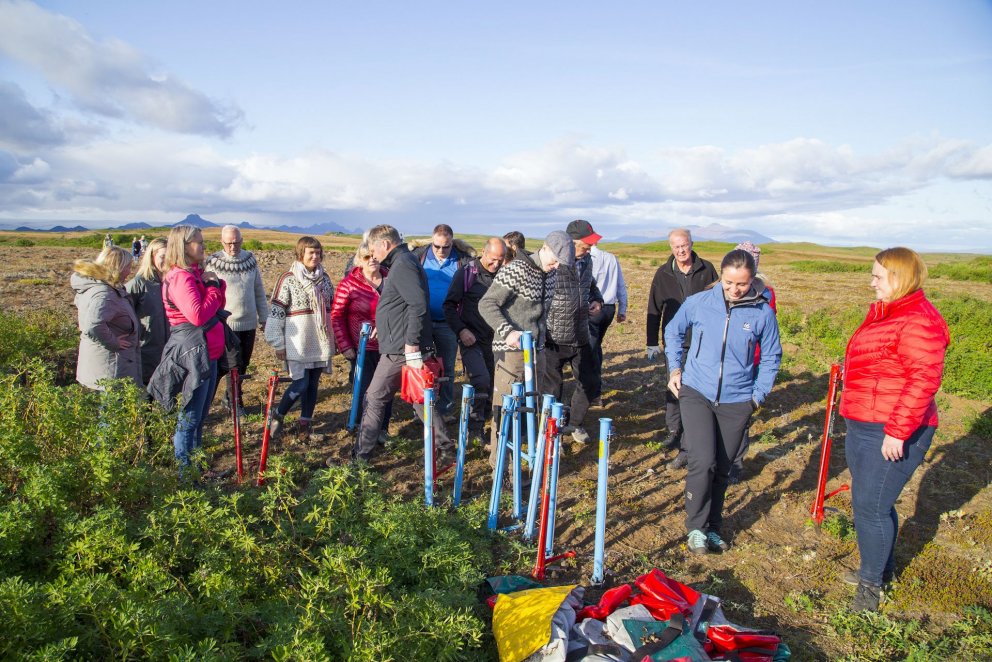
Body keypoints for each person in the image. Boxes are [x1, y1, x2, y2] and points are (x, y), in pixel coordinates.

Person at [839, 247, 949, 612]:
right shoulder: (889, 312)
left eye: (877, 276)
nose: (871, 282)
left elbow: (924, 379)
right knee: (872, 502)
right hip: (865, 421)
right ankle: (880, 570)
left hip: (890, 429)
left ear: (898, 278)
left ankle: (871, 587)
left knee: (870, 506)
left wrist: (898, 431)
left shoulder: (918, 320)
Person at [665, 249, 781, 555]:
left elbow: (772, 357)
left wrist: (756, 397)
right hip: (696, 392)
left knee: (723, 467)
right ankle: (695, 528)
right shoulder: (699, 302)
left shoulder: (762, 312)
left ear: (753, 280)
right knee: (702, 461)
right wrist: (675, 369)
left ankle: (714, 527)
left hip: (738, 400)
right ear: (721, 276)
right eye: (728, 283)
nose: (734, 290)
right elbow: (673, 331)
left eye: (741, 284)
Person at [353, 224, 451, 463]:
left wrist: (411, 343)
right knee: (419, 398)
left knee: (375, 397)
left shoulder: (403, 264)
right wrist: (386, 324)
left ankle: (360, 458)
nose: (373, 255)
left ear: (385, 244)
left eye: (374, 249)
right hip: (401, 344)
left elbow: (417, 304)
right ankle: (445, 448)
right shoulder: (403, 262)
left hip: (400, 350)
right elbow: (402, 304)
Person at [479, 231, 571, 467]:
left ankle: (522, 464)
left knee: (529, 408)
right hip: (511, 353)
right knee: (505, 410)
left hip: (536, 351)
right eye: (555, 260)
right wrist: (508, 331)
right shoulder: (517, 270)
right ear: (545, 248)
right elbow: (487, 304)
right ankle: (501, 468)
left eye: (561, 263)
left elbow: (542, 313)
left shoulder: (551, 274)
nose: (556, 266)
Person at [646, 228, 719, 468]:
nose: (681, 250)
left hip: (701, 341)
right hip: (675, 341)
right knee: (673, 386)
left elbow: (717, 304)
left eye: (684, 245)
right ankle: (673, 431)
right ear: (671, 248)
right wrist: (651, 341)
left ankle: (690, 436)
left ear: (691, 244)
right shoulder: (663, 273)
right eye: (676, 246)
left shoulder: (707, 269)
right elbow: (654, 308)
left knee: (694, 390)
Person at [157, 226, 226, 470]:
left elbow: (217, 306)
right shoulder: (181, 277)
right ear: (184, 246)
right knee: (190, 419)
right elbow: (197, 316)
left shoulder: (195, 273)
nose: (203, 246)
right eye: (198, 242)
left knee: (199, 417)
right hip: (194, 354)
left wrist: (215, 285)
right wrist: (213, 288)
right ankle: (186, 476)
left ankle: (197, 470)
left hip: (209, 353)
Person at [264, 236, 336, 443]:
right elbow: (277, 312)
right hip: (298, 343)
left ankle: (305, 425)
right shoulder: (288, 279)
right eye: (310, 253)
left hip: (319, 340)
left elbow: (331, 309)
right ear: (300, 254)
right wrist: (278, 342)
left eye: (318, 252)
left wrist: (335, 338)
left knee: (313, 384)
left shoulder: (325, 279)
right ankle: (278, 414)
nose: (315, 256)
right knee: (301, 384)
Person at [545, 220, 604, 444]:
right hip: (553, 337)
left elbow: (591, 285)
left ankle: (574, 423)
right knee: (552, 390)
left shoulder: (587, 260)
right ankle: (551, 435)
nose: (589, 249)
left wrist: (597, 299)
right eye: (586, 245)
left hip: (580, 334)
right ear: (571, 242)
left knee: (591, 382)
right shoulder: (553, 262)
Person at [442, 237, 507, 436]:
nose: (496, 264)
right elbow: (449, 306)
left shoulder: (505, 275)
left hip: (497, 340)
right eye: (493, 259)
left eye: (500, 260)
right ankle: (474, 428)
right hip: (471, 338)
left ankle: (487, 423)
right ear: (483, 252)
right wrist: (461, 330)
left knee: (494, 384)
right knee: (481, 380)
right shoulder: (466, 273)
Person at [412, 224, 475, 416]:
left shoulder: (463, 261)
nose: (440, 250)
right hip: (422, 323)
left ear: (452, 243)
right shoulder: (418, 257)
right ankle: (421, 409)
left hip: (448, 324)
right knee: (421, 365)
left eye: (445, 247)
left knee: (447, 367)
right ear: (431, 241)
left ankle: (445, 408)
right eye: (436, 246)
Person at [332, 240, 391, 443]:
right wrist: (345, 346)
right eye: (367, 256)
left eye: (375, 256)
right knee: (364, 388)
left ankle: (383, 429)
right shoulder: (349, 284)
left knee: (386, 388)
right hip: (361, 347)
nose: (372, 260)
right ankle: (360, 427)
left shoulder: (391, 280)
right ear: (359, 260)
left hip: (389, 345)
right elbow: (337, 317)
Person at [206, 225, 269, 415]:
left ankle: (228, 398)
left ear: (241, 241)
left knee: (243, 364)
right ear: (222, 242)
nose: (233, 247)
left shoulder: (250, 260)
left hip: (248, 322)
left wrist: (264, 317)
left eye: (236, 242)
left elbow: (258, 290)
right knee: (231, 365)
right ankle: (234, 403)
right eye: (229, 243)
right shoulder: (213, 262)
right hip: (226, 324)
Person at [729, 241, 777, 483]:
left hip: (751, 361)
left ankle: (736, 463)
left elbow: (766, 332)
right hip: (729, 360)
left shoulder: (766, 294)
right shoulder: (723, 290)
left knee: (741, 413)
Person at [71, 245, 142, 391]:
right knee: (112, 404)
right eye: (128, 267)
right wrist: (113, 342)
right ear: (117, 268)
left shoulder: (98, 287)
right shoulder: (105, 294)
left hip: (102, 364)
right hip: (110, 366)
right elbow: (93, 325)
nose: (130, 271)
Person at [125, 237, 170, 386]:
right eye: (163, 256)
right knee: (146, 392)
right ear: (152, 256)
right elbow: (122, 314)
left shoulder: (174, 282)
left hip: (170, 351)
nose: (167, 261)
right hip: (146, 352)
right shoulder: (139, 283)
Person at [589, 241, 628, 370]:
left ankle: (593, 376)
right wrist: (622, 310)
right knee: (596, 343)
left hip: (593, 307)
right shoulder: (612, 258)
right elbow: (620, 285)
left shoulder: (587, 259)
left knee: (591, 345)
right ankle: (596, 374)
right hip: (609, 309)